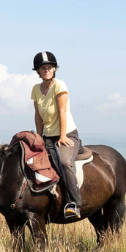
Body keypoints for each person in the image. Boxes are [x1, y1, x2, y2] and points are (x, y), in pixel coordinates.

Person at [31, 51, 82, 219]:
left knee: (65, 162)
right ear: (38, 71)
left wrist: (62, 136)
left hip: (66, 133)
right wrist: (39, 137)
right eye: (43, 68)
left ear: (54, 69)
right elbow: (38, 115)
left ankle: (74, 203)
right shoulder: (36, 89)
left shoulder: (59, 85)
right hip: (47, 136)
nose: (47, 70)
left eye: (49, 67)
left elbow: (62, 111)